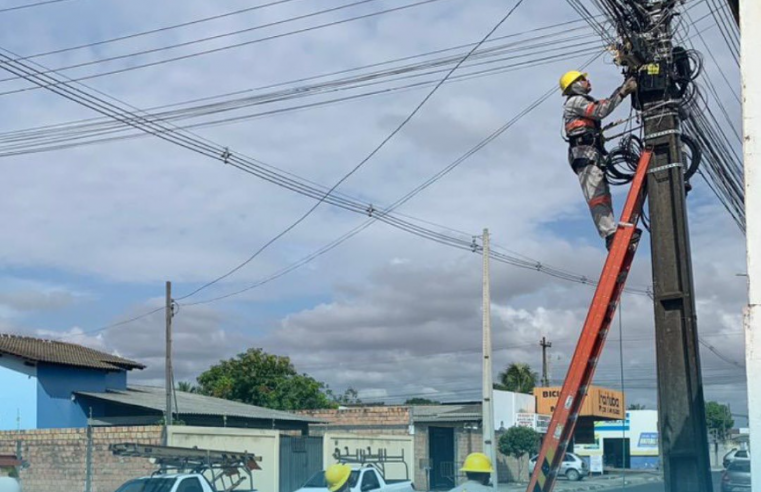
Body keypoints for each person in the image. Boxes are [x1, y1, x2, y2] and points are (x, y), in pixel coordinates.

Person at [560, 70, 638, 250]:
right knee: (597, 196)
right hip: (584, 155)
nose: (587, 81)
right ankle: (610, 235)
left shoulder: (581, 101)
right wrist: (622, 92)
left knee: (602, 194)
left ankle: (611, 232)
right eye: (583, 79)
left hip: (592, 153)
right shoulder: (575, 101)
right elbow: (600, 110)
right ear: (574, 85)